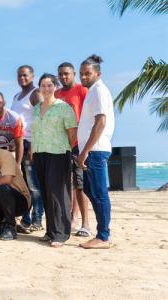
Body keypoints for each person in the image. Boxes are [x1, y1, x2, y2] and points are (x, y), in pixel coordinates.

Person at [31, 73, 77, 248]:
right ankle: (50, 231)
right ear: (40, 87)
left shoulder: (64, 107)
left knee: (58, 193)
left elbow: (72, 133)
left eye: (50, 85)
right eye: (43, 85)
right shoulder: (36, 108)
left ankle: (61, 234)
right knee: (45, 192)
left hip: (58, 153)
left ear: (55, 87)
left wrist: (64, 148)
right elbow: (35, 132)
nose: (46, 88)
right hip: (39, 153)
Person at [76, 55, 115, 250]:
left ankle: (103, 236)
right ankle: (102, 232)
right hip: (92, 151)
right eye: (81, 73)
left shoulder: (99, 90)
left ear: (97, 74)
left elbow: (101, 122)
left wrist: (85, 151)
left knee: (99, 193)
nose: (83, 77)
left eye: (87, 73)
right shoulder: (92, 91)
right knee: (90, 190)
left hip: (96, 151)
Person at [56, 62, 91, 237]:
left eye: (66, 74)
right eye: (60, 74)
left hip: (78, 144)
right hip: (61, 145)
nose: (63, 77)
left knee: (80, 185)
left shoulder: (81, 90)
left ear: (73, 74)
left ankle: (85, 223)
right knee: (65, 184)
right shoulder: (57, 94)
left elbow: (89, 116)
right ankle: (70, 217)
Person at [10, 65, 44, 233]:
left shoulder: (36, 94)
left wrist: (36, 145)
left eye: (25, 75)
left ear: (32, 76)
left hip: (30, 143)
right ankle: (26, 218)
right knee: (21, 184)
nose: (22, 78)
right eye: (19, 75)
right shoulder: (17, 96)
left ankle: (37, 219)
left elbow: (41, 119)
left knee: (33, 185)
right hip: (18, 143)